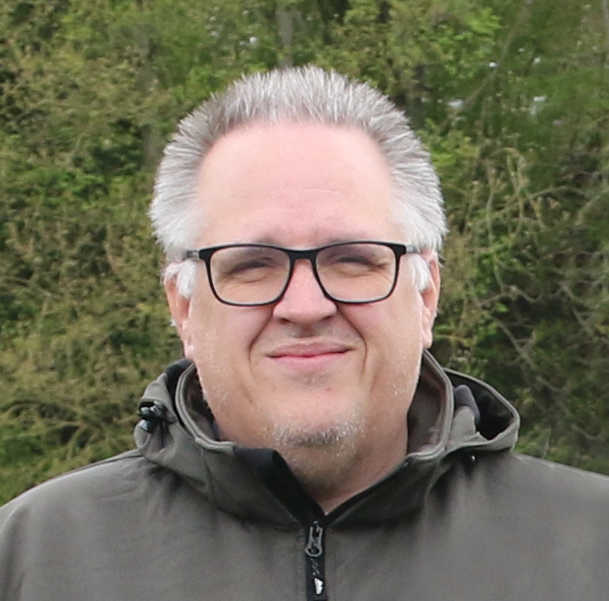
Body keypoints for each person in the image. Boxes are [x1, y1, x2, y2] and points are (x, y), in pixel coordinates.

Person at [1, 66, 608, 600]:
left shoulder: (591, 549)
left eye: (352, 259)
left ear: (425, 296)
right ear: (183, 309)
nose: (305, 305)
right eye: (251, 265)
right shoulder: (32, 558)